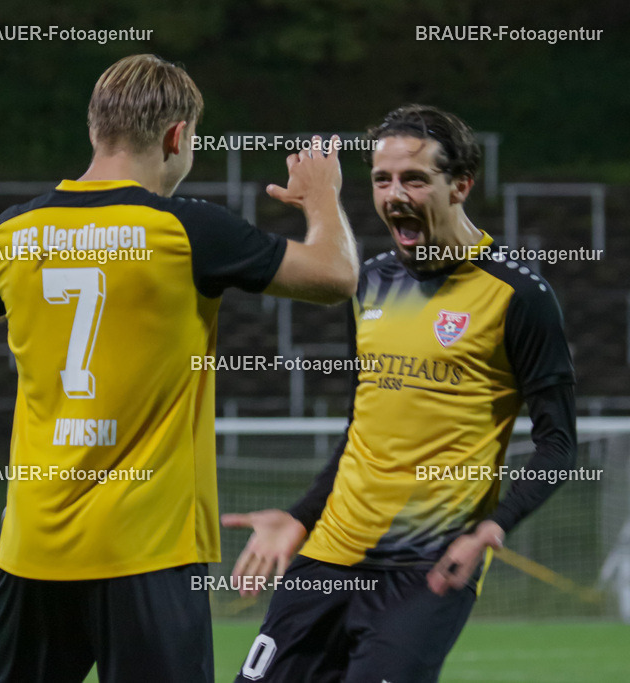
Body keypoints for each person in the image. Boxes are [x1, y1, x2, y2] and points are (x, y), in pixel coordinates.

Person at [0, 54, 358, 683]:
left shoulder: (13, 231)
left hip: (30, 549)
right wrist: (323, 199)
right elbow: (336, 277)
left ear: (95, 128)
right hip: (146, 553)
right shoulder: (186, 229)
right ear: (177, 137)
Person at [224, 104, 577, 683]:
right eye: (382, 179)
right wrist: (299, 517)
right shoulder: (368, 283)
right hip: (331, 554)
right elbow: (359, 430)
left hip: (428, 568)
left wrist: (494, 526)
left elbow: (559, 444)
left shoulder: (519, 296)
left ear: (461, 184)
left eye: (414, 178)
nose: (394, 194)